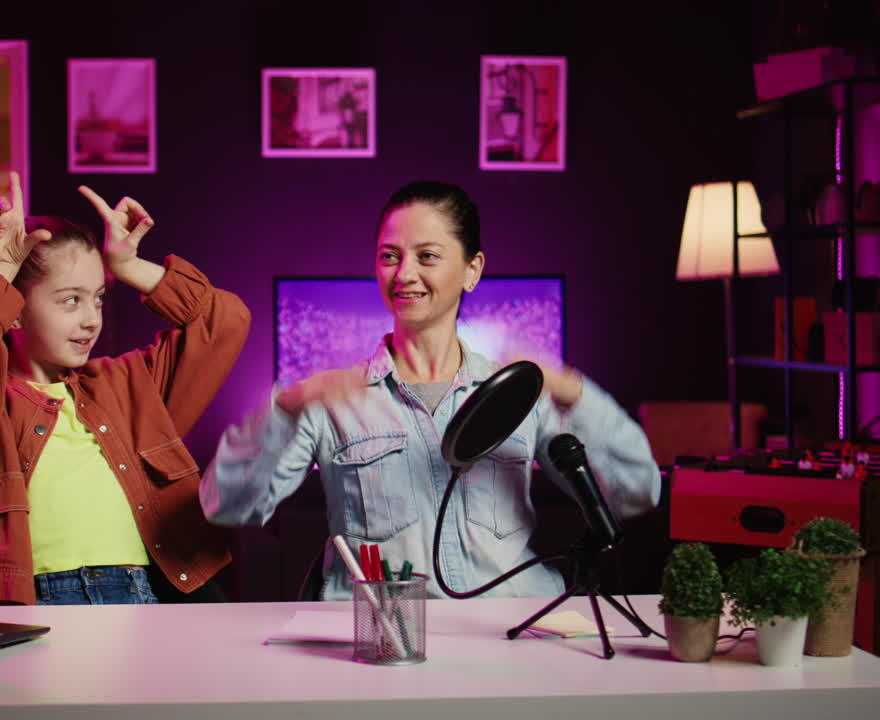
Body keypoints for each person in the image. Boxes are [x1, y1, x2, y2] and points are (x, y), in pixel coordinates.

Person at [200, 180, 659, 600]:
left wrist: (571, 390)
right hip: (386, 640)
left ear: (471, 269)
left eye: (428, 256)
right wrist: (283, 409)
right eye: (389, 256)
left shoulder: (522, 392)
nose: (404, 275)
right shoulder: (331, 400)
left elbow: (639, 490)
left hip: (510, 634)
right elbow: (226, 507)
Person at [0, 172, 250, 605]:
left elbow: (223, 321)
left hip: (137, 596)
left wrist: (129, 266)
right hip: (36, 603)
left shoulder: (129, 385)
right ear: (13, 312)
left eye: (98, 298)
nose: (92, 319)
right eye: (70, 300)